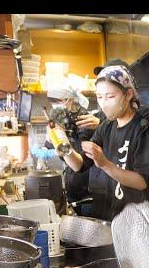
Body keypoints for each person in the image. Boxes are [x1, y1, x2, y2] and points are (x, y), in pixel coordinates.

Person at [58, 64, 149, 221]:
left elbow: (142, 182)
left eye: (110, 96)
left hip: (140, 220)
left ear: (128, 94)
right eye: (99, 97)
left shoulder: (143, 129)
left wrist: (105, 164)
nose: (104, 103)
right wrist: (63, 145)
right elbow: (80, 165)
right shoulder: (106, 126)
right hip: (113, 217)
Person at [45, 85, 105, 215]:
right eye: (52, 102)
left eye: (57, 101)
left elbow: (78, 163)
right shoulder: (64, 119)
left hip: (87, 193)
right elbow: (49, 147)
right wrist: (52, 138)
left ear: (69, 100)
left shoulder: (85, 121)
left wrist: (62, 140)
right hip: (73, 188)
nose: (55, 105)